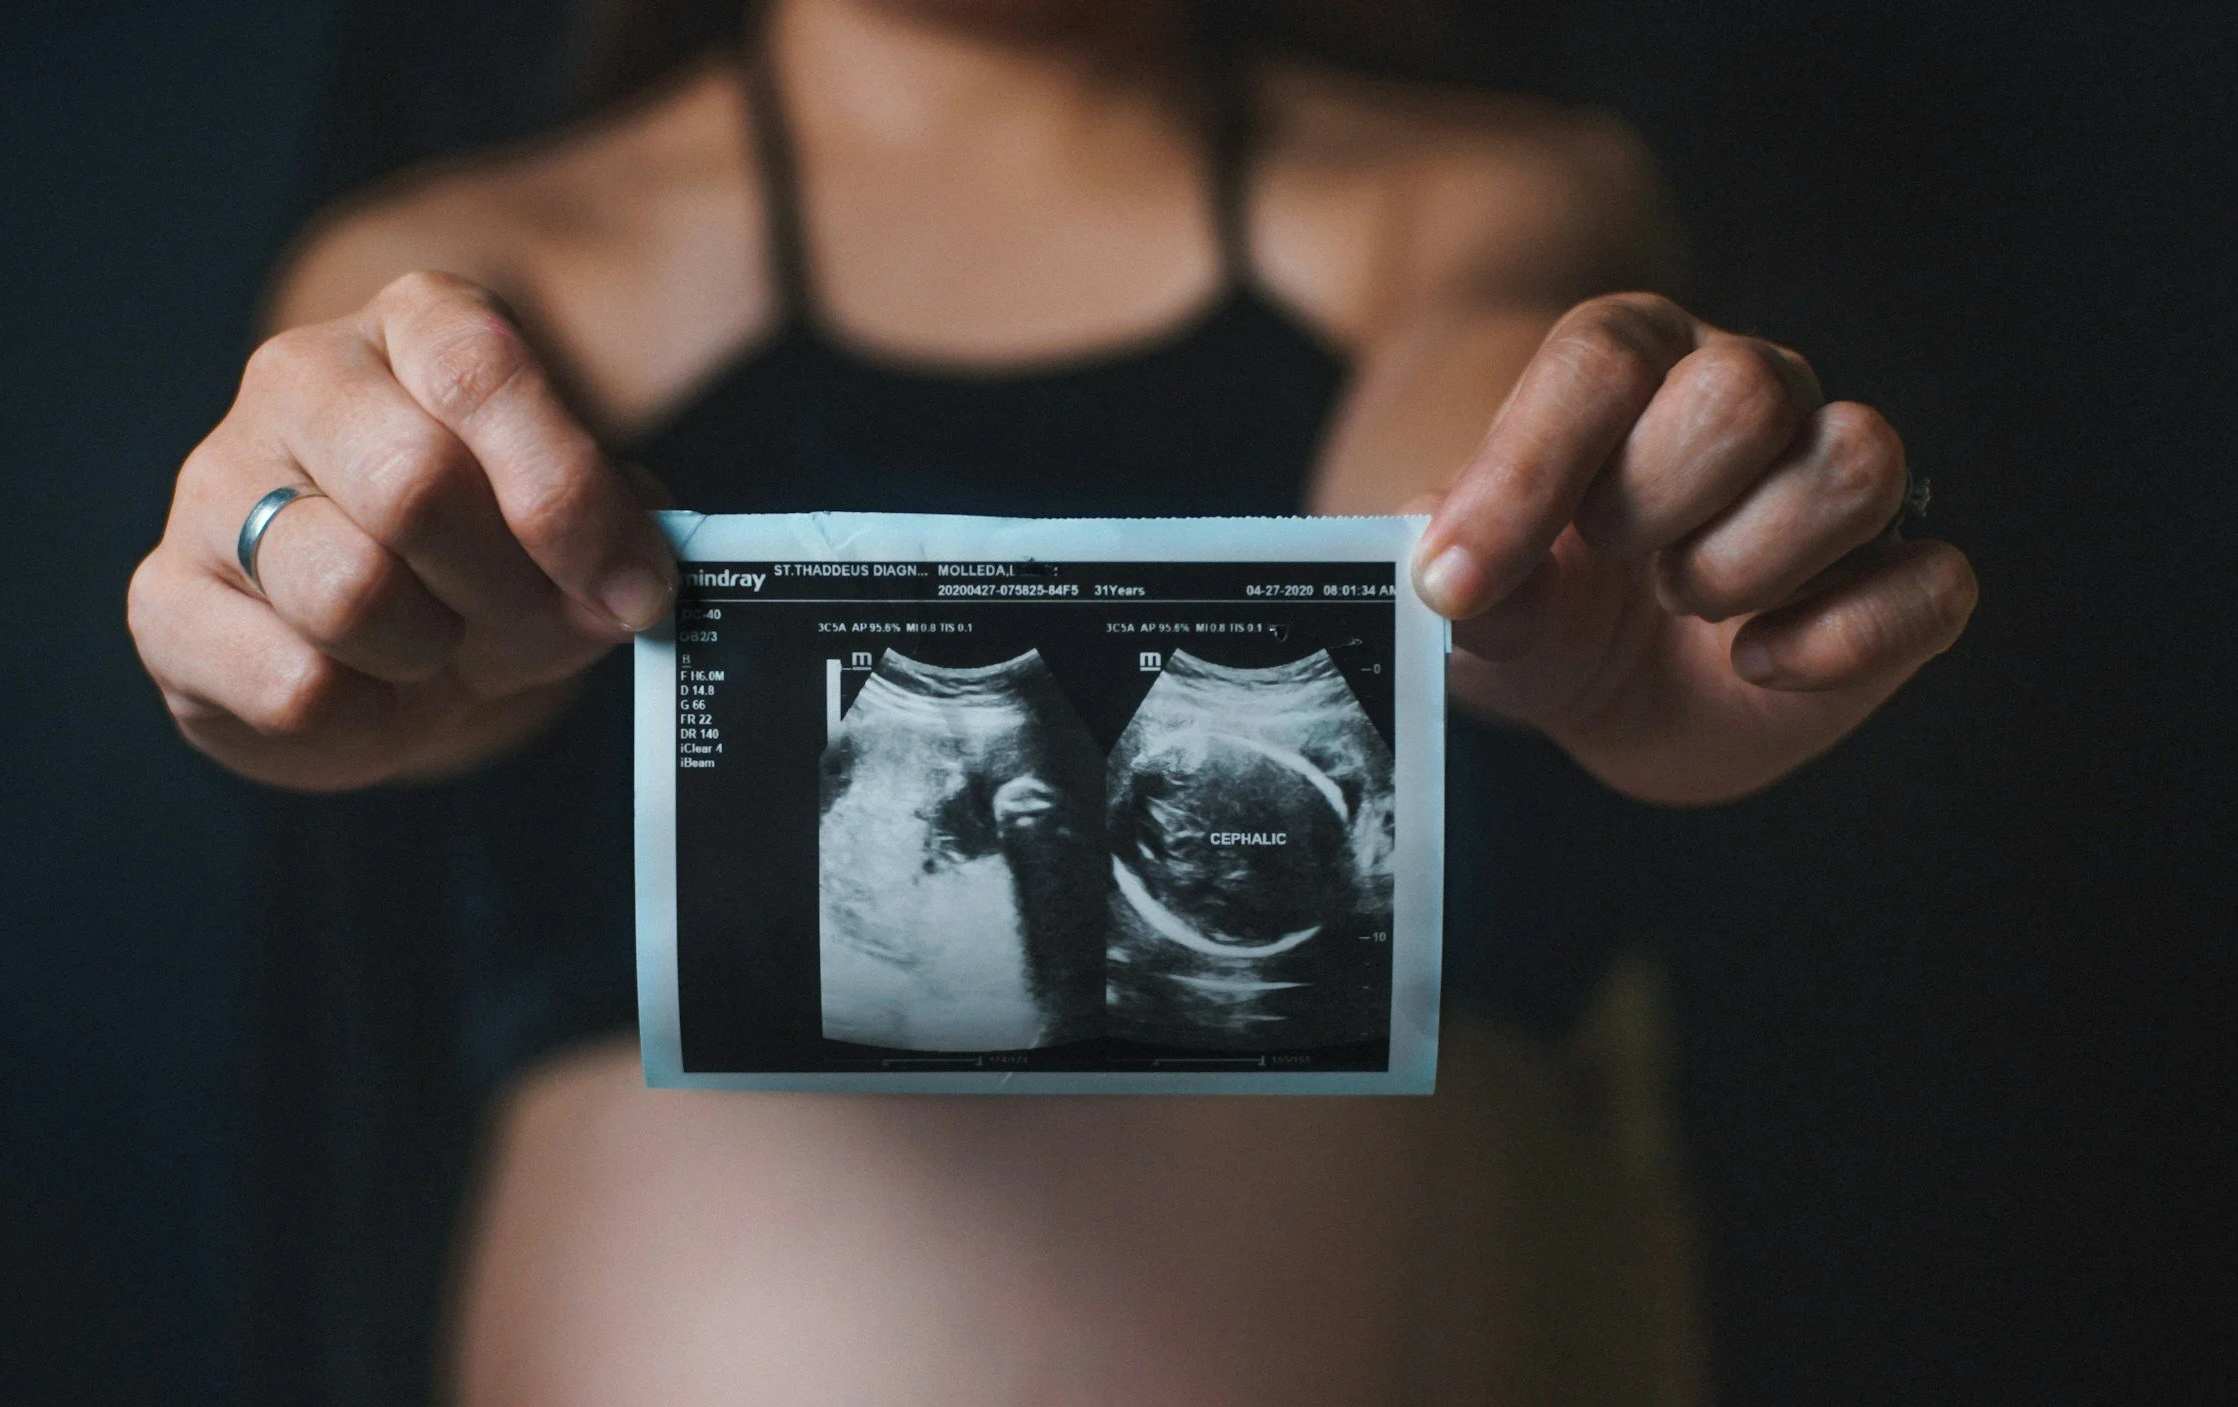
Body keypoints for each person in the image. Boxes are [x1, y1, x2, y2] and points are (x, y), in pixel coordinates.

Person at [127, 0, 1977, 1400]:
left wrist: (1531, 552)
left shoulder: (1481, 196)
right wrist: (324, 584)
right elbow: (404, 554)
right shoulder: (477, 274)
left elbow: (1466, 452)